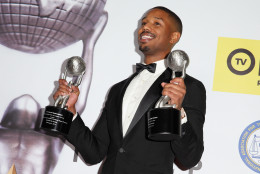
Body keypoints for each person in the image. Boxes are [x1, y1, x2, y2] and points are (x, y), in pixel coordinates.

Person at [54, 6, 206, 174]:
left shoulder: (188, 87)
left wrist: (177, 112)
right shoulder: (117, 90)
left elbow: (190, 158)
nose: (145, 27)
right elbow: (94, 153)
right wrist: (70, 113)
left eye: (157, 23)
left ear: (174, 37)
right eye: (143, 23)